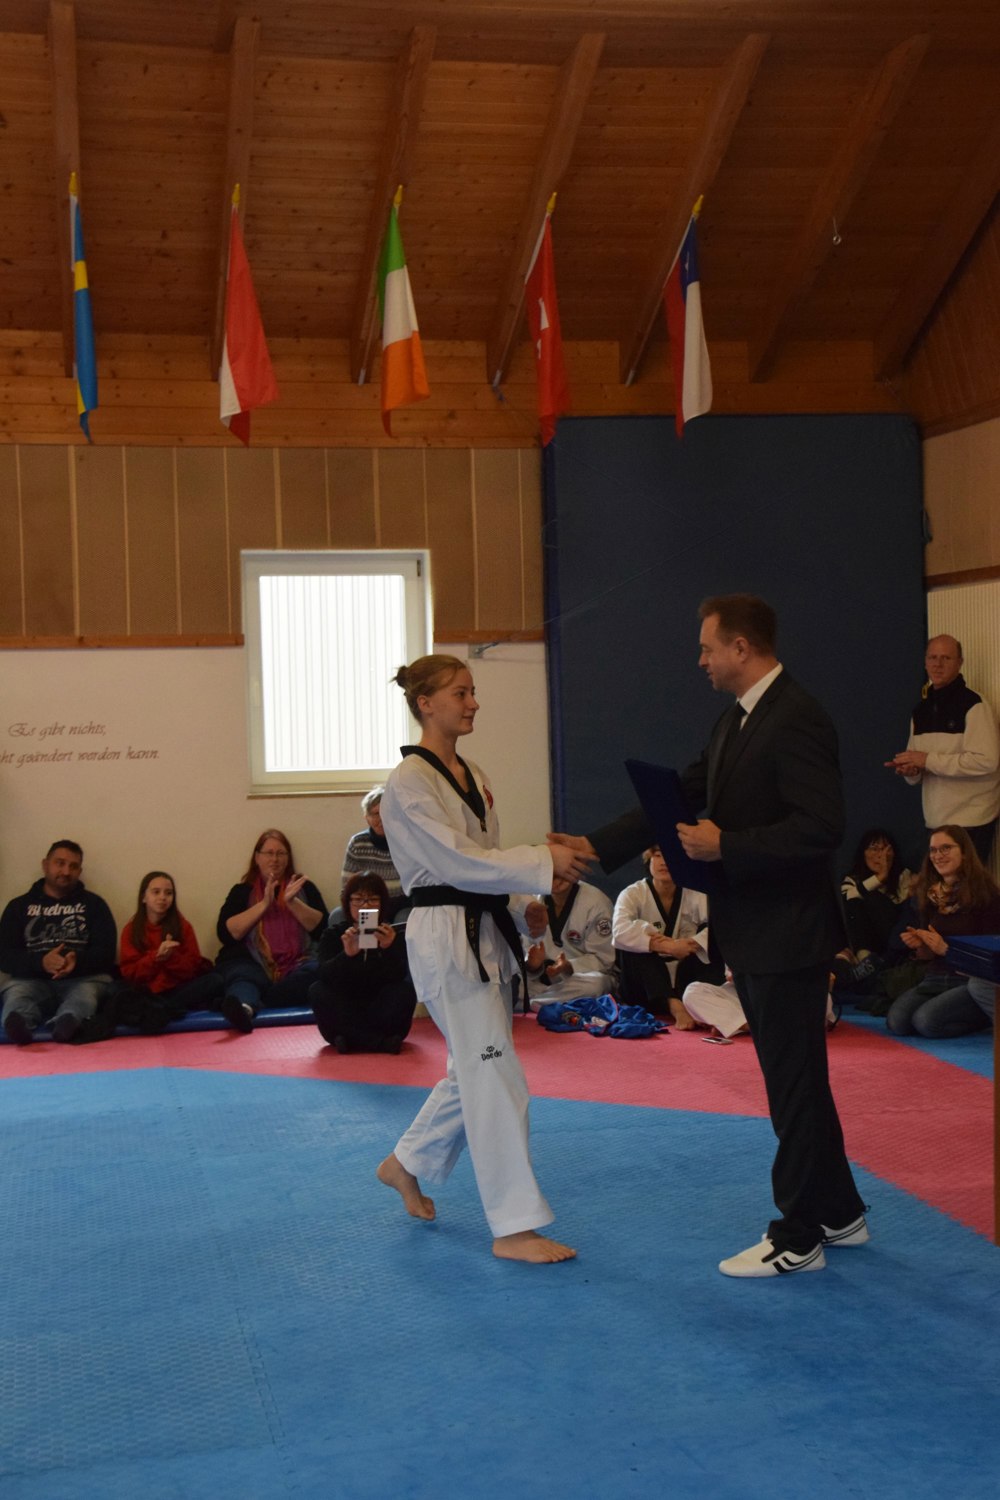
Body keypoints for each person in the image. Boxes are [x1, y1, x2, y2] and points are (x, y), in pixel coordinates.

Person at [551, 594, 867, 1278]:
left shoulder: (798, 717)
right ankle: (840, 1211)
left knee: (793, 1086)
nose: (700, 660)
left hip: (789, 931)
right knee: (799, 1081)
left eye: (707, 647)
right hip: (754, 928)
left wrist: (729, 845)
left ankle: (798, 1235)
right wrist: (595, 844)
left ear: (741, 648)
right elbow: (680, 793)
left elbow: (823, 827)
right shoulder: (737, 719)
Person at [376, 653, 592, 1264]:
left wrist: (525, 906)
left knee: (475, 1065)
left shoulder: (473, 774)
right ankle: (513, 1227)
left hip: (485, 933)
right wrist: (542, 863)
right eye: (460, 693)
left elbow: (485, 856)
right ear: (426, 704)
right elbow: (454, 862)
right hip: (446, 936)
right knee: (495, 1073)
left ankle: (405, 1162)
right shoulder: (408, 783)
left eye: (473, 692)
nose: (473, 703)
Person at [886, 634, 1000, 863]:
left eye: (946, 658)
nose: (938, 664)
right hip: (936, 820)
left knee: (966, 886)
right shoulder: (920, 711)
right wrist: (911, 771)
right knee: (938, 886)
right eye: (933, 657)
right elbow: (919, 764)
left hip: (972, 821)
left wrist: (927, 760)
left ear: (960, 663)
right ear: (925, 662)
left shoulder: (974, 705)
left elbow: (986, 761)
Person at [886, 825, 1000, 1039]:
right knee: (897, 1021)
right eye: (933, 850)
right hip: (936, 976)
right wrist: (922, 946)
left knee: (926, 1021)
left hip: (971, 982)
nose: (938, 856)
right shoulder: (930, 895)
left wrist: (948, 950)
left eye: (946, 848)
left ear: (964, 853)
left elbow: (992, 956)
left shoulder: (987, 895)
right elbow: (930, 954)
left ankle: (987, 1014)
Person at [0, 839, 116, 1045]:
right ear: (45, 865)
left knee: (86, 996)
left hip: (82, 979)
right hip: (31, 981)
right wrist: (41, 962)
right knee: (16, 994)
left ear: (80, 871)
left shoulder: (95, 905)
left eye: (73, 866)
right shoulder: (18, 906)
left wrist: (76, 961)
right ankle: (20, 1024)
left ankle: (68, 1022)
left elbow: (106, 953)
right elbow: (5, 956)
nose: (66, 871)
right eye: (60, 863)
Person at [214, 829, 328, 1033]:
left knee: (317, 972)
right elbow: (227, 934)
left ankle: (265, 997)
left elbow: (323, 930)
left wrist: (292, 902)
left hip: (298, 964)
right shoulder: (242, 891)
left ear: (288, 858)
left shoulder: (303, 887)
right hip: (253, 963)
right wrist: (264, 904)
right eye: (269, 853)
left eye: (280, 853)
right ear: (257, 857)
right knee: (243, 978)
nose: (274, 859)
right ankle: (244, 1009)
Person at [309, 871, 416, 1053]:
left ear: (382, 904)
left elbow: (399, 976)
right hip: (347, 1006)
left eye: (373, 900)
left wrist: (388, 948)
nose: (365, 905)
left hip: (379, 1009)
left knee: (405, 991)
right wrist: (346, 955)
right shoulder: (334, 934)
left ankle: (354, 1040)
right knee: (317, 990)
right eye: (358, 900)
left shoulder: (390, 934)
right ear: (348, 903)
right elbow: (323, 974)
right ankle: (378, 1043)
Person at [611, 845, 718, 1028]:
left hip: (686, 977)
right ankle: (675, 1006)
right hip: (645, 985)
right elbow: (619, 931)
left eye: (671, 856)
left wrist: (691, 943)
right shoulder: (632, 894)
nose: (664, 862)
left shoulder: (695, 892)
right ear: (649, 861)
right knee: (631, 945)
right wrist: (664, 946)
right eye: (658, 856)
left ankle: (693, 1004)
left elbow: (720, 925)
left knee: (712, 937)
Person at [118, 870, 223, 1024]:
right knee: (114, 990)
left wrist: (171, 958)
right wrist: (156, 958)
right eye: (156, 892)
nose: (162, 897)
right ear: (143, 897)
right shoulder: (131, 930)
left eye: (168, 893)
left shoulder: (183, 926)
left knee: (215, 980)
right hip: (146, 992)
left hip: (177, 990)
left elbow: (192, 970)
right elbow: (130, 974)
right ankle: (165, 1009)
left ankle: (162, 1009)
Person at [524, 874, 617, 1011]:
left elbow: (604, 960)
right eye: (552, 872)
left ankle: (530, 1004)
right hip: (542, 981)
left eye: (561, 872)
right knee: (510, 981)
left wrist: (569, 966)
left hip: (579, 979)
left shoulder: (596, 902)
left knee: (597, 985)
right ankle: (545, 1003)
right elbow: (524, 953)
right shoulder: (531, 899)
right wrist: (532, 966)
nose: (556, 878)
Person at [839, 828, 912, 961]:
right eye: (874, 849)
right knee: (857, 901)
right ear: (863, 853)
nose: (881, 855)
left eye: (885, 849)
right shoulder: (852, 880)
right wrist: (879, 878)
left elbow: (905, 910)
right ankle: (865, 959)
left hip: (896, 936)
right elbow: (847, 900)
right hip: (868, 939)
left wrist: (885, 875)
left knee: (873, 898)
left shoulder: (904, 875)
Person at [340, 787, 405, 917]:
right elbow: (347, 886)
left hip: (400, 905)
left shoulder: (407, 841)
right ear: (367, 818)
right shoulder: (358, 843)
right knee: (337, 916)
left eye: (386, 813)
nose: (381, 819)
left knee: (404, 918)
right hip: (367, 904)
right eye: (375, 814)